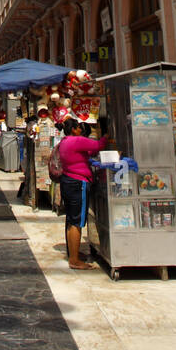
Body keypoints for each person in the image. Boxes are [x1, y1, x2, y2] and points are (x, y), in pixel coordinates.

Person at [58, 116, 111, 270]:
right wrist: (107, 134)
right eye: (79, 127)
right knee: (77, 221)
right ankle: (74, 260)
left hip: (68, 181)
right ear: (74, 129)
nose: (81, 129)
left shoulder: (65, 142)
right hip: (78, 183)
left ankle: (73, 253)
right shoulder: (77, 140)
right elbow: (98, 145)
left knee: (71, 219)